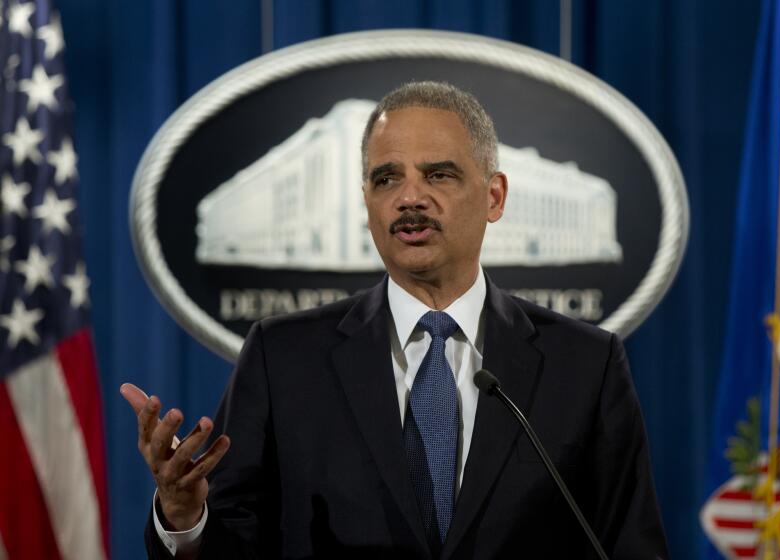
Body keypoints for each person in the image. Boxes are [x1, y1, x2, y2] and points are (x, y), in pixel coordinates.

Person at [122, 81, 669, 559]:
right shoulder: (282, 358)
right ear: (367, 202)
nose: (410, 197)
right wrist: (185, 518)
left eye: (439, 174)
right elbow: (236, 548)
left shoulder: (585, 364)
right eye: (386, 179)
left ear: (494, 196)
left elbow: (626, 545)